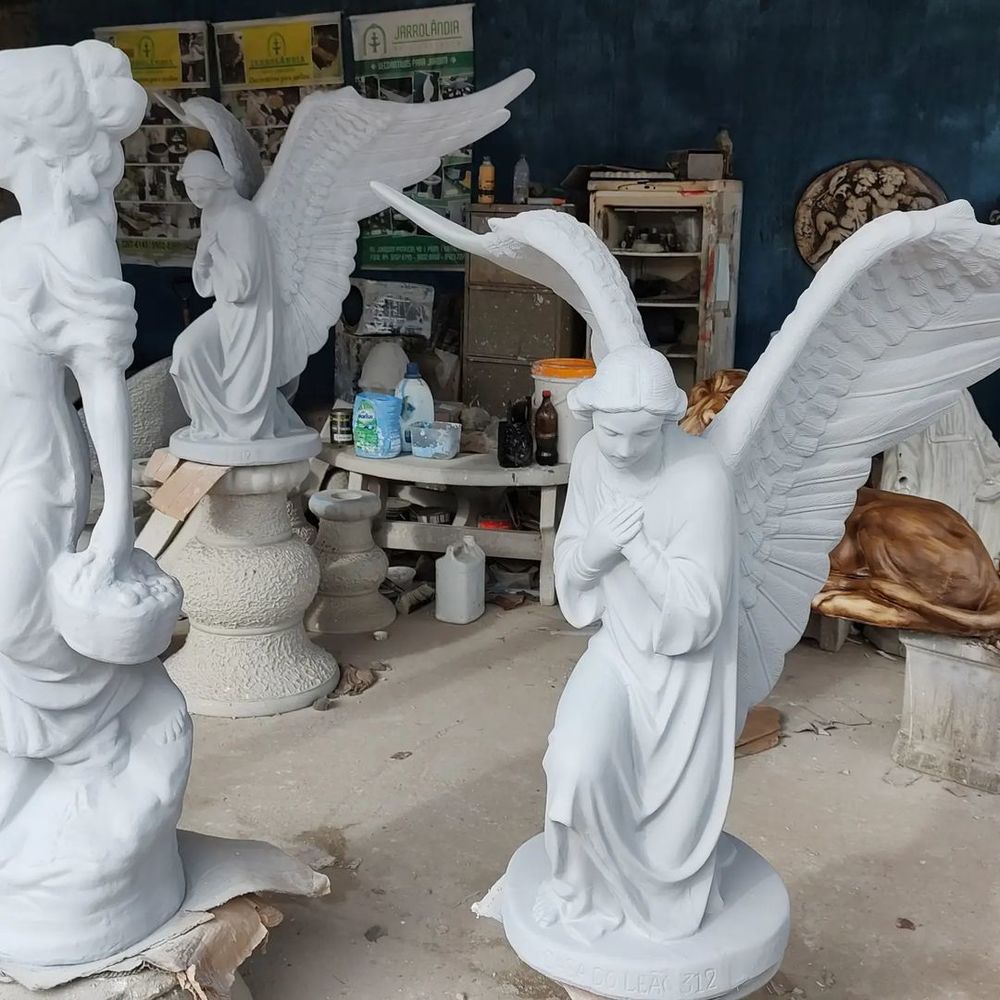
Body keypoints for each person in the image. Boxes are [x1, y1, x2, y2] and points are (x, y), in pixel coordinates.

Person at [0, 40, 190, 965]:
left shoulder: (73, 242)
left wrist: (118, 521)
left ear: (31, 137)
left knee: (17, 621)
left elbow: (105, 390)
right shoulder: (8, 239)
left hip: (34, 470)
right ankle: (40, 766)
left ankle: (112, 721)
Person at [538, 344, 739, 943]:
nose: (623, 449)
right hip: (618, 650)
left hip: (683, 676)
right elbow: (572, 573)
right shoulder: (591, 459)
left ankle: (648, 898)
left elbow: (700, 613)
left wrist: (640, 551)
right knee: (574, 764)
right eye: (610, 432)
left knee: (668, 834)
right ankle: (577, 892)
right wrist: (596, 549)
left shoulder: (701, 478)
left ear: (668, 423)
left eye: (641, 436)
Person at [171, 150, 299, 444]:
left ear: (219, 183)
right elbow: (207, 287)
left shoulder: (243, 217)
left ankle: (235, 431)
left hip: (251, 317)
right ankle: (210, 423)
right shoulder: (210, 212)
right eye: (190, 188)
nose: (196, 196)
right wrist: (202, 258)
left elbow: (244, 286)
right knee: (186, 351)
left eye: (202, 188)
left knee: (243, 406)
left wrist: (213, 250)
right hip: (225, 309)